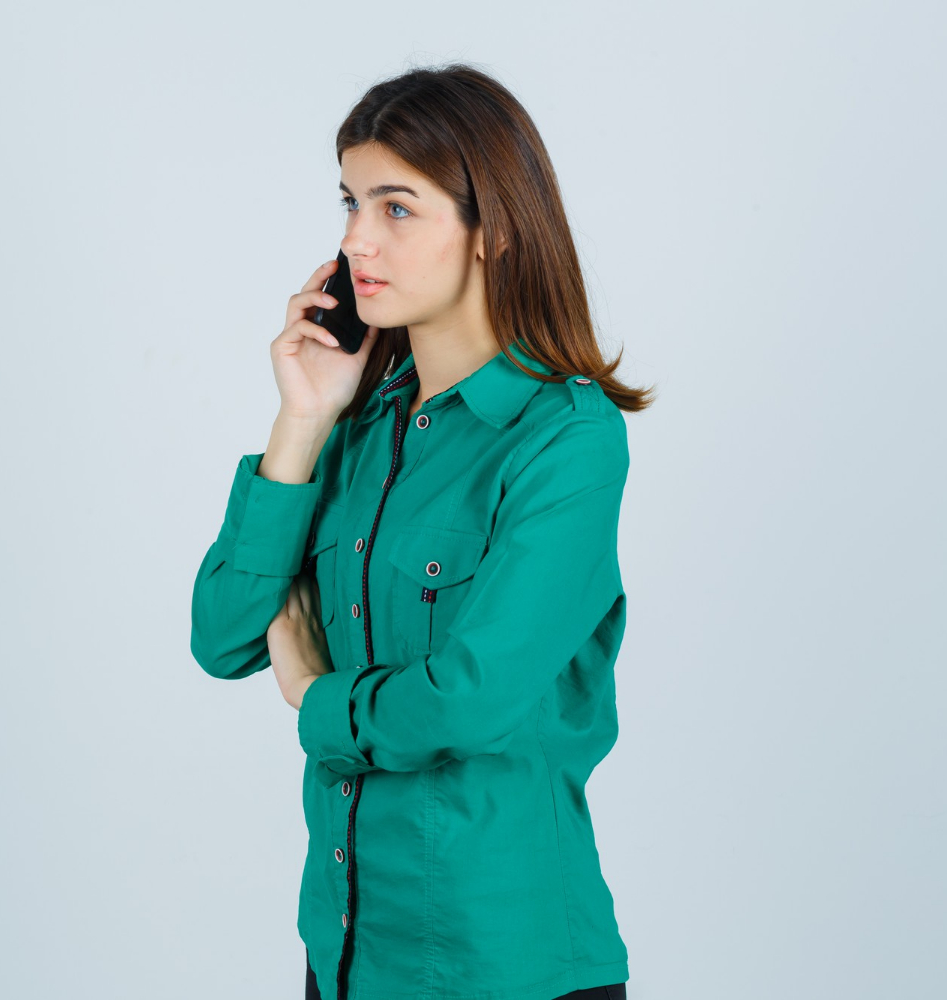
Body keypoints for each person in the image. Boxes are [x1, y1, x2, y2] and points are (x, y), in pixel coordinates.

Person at [189, 64, 656, 1000]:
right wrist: (303, 422)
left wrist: (315, 694)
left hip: (500, 964)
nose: (357, 240)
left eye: (397, 208)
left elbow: (470, 696)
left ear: (496, 231)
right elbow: (223, 636)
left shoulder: (567, 438)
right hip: (349, 957)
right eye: (351, 202)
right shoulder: (358, 427)